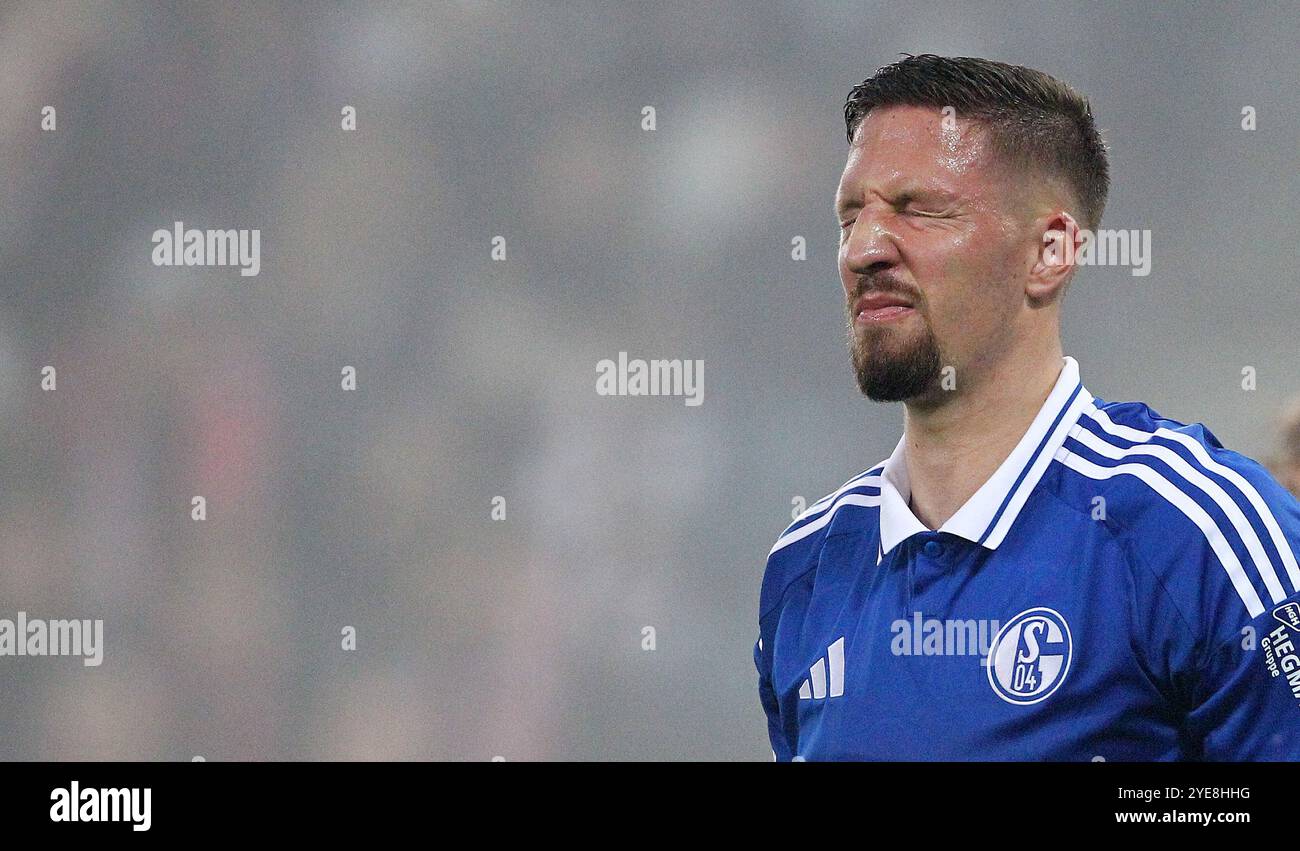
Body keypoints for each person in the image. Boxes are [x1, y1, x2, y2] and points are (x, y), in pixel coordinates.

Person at [755, 54, 1300, 760]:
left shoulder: (1200, 534)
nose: (863, 249)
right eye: (849, 216)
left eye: (919, 209)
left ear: (1050, 250)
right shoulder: (805, 566)